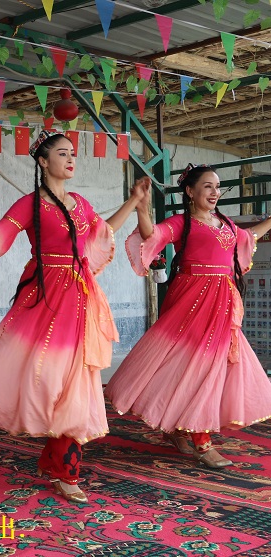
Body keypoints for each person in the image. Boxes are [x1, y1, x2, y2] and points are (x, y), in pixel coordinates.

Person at [0, 131, 148, 504]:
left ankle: (63, 467)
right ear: (42, 161)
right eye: (62, 153)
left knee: (76, 383)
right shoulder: (29, 204)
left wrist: (134, 200)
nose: (71, 159)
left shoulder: (80, 203)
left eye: (73, 154)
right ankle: (59, 462)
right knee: (47, 380)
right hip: (45, 298)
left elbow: (103, 232)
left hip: (81, 298)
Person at [105, 164, 271, 467]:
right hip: (192, 301)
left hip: (223, 302)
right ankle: (201, 441)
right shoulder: (182, 223)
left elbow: (248, 237)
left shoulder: (224, 223)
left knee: (205, 366)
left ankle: (178, 429)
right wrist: (142, 207)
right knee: (196, 367)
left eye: (217, 187)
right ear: (190, 192)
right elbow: (151, 234)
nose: (215, 192)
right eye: (208, 186)